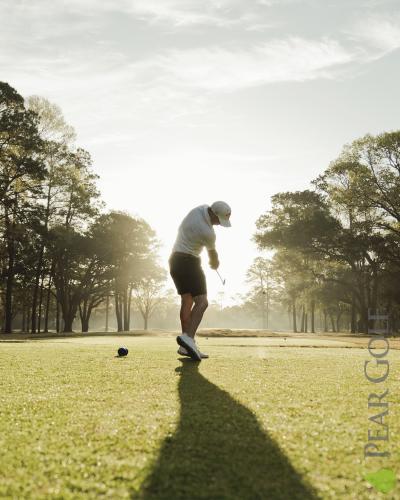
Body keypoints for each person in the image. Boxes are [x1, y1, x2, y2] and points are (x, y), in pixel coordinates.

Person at [169, 201, 232, 361]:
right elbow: (213, 257)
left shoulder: (199, 209)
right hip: (189, 262)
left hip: (174, 260)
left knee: (187, 301)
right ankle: (188, 338)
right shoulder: (209, 233)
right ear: (213, 214)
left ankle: (185, 347)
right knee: (202, 302)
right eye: (219, 220)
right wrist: (215, 263)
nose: (218, 224)